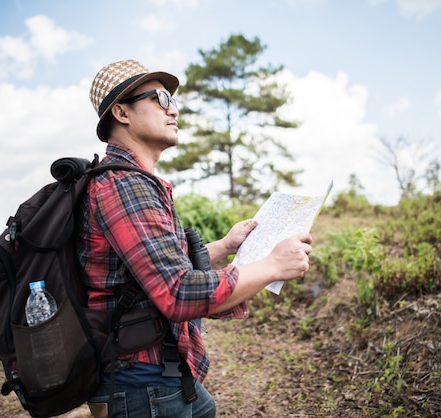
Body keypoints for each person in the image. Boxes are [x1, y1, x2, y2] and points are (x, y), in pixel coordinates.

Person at [78, 59, 313, 418]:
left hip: (158, 374)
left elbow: (154, 267)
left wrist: (226, 246)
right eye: (159, 97)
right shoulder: (126, 187)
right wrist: (272, 265)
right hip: (141, 385)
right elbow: (177, 293)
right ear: (122, 112)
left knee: (206, 409)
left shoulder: (133, 181)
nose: (173, 108)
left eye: (172, 99)